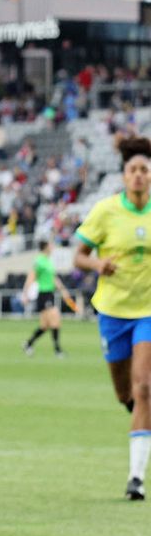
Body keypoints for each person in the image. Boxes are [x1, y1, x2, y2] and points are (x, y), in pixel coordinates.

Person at [74, 135, 151, 500]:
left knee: (145, 387)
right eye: (133, 170)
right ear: (123, 176)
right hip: (113, 312)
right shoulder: (106, 211)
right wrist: (97, 263)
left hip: (147, 313)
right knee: (125, 393)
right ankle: (140, 421)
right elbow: (78, 256)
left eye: (144, 170)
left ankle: (136, 478)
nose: (139, 175)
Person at [23, 239, 74, 358]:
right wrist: (25, 294)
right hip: (43, 294)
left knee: (45, 326)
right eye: (50, 245)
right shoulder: (39, 261)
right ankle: (57, 350)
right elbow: (31, 277)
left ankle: (28, 344)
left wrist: (63, 291)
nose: (52, 247)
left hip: (49, 293)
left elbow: (54, 278)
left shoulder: (48, 261)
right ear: (45, 247)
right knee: (55, 319)